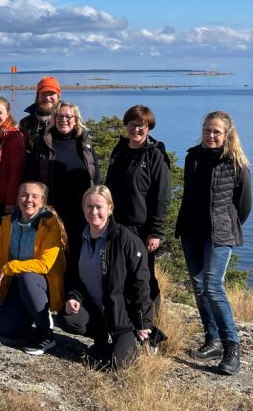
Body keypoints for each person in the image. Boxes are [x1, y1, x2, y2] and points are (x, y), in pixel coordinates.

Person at [176, 111, 251, 375]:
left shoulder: (236, 163)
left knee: (213, 286)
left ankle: (232, 347)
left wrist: (224, 224)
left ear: (226, 134)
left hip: (219, 235)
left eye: (216, 132)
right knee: (198, 286)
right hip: (191, 232)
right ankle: (213, 339)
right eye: (207, 130)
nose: (210, 135)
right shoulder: (193, 157)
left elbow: (244, 206)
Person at [58, 185, 153, 370]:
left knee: (117, 366)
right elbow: (72, 275)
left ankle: (131, 341)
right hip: (97, 312)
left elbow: (141, 282)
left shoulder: (125, 239)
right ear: (83, 208)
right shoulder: (79, 237)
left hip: (123, 317)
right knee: (69, 318)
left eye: (99, 207)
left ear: (110, 208)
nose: (94, 212)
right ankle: (103, 339)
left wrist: (143, 322)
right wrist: (73, 297)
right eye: (89, 206)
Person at [105, 104, 171, 344]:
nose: (136, 129)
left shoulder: (155, 155)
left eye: (141, 125)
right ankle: (127, 322)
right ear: (126, 126)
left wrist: (155, 231)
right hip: (117, 226)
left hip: (142, 229)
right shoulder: (120, 150)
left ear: (148, 127)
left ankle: (150, 327)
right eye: (132, 124)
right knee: (120, 275)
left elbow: (162, 197)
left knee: (144, 278)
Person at [0, 182, 67, 355]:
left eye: (34, 196)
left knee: (28, 277)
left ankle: (45, 330)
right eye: (24, 195)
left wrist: (9, 267)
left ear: (42, 201)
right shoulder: (7, 223)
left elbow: (44, 265)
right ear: (18, 198)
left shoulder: (50, 225)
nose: (28, 200)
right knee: (9, 329)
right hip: (20, 284)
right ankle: (31, 313)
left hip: (42, 282)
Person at [43, 101, 100, 267]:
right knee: (54, 258)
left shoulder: (84, 144)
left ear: (76, 120)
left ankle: (77, 292)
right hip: (53, 211)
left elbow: (96, 177)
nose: (64, 120)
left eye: (68, 116)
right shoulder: (45, 143)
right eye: (59, 116)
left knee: (79, 255)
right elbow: (34, 176)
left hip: (82, 212)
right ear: (54, 119)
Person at [20, 77, 61, 182]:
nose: (47, 98)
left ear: (59, 96)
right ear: (37, 96)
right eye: (43, 94)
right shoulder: (25, 124)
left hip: (59, 184)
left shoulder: (67, 122)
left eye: (51, 94)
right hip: (32, 186)